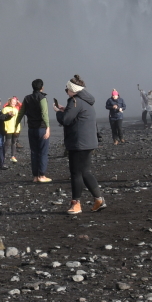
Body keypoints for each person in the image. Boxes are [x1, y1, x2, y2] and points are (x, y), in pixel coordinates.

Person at [58, 76, 104, 215]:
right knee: (85, 172)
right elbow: (78, 115)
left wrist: (59, 112)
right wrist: (66, 109)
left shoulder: (75, 101)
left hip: (78, 142)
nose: (66, 91)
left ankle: (76, 204)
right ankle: (99, 200)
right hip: (89, 142)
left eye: (67, 89)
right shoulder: (86, 101)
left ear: (72, 90)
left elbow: (66, 120)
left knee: (76, 173)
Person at [23, 79, 54, 183]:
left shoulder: (27, 98)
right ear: (42, 88)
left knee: (34, 152)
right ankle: (42, 175)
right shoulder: (42, 98)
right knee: (43, 152)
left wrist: (15, 125)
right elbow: (44, 114)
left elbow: (21, 113)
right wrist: (48, 128)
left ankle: (35, 176)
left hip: (31, 129)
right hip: (41, 128)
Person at [3, 95, 22, 164]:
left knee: (14, 143)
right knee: (7, 143)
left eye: (15, 102)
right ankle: (2, 156)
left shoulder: (16, 109)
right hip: (8, 129)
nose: (14, 103)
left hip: (16, 129)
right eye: (13, 102)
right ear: (9, 102)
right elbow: (2, 118)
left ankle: (13, 156)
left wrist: (18, 128)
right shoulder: (5, 109)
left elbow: (18, 119)